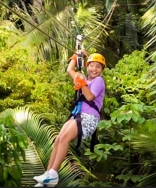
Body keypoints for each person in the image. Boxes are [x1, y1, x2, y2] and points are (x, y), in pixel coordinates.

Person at [33, 50, 106, 187]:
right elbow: (69, 70)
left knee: (65, 138)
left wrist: (81, 83)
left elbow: (90, 97)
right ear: (87, 66)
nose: (94, 69)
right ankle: (48, 173)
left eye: (98, 66)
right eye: (91, 65)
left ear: (101, 70)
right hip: (78, 114)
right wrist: (76, 56)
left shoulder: (99, 81)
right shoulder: (83, 78)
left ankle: (54, 174)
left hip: (89, 118)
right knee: (59, 139)